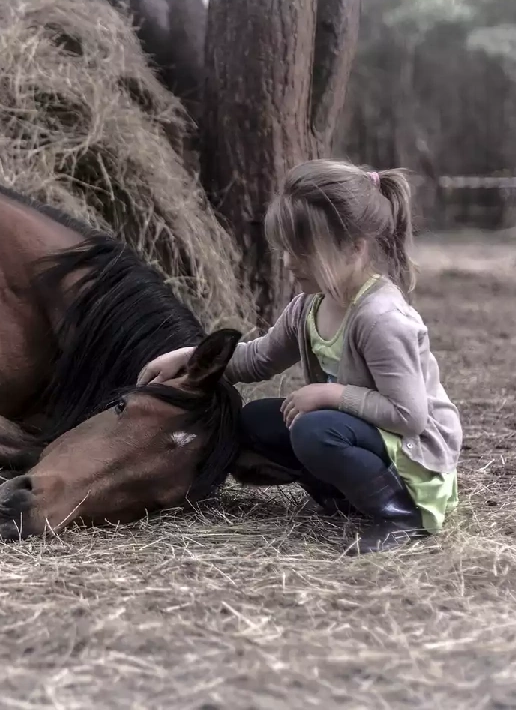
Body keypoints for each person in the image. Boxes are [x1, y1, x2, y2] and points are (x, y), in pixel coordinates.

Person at [138, 159, 461, 555]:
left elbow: (409, 417)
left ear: (355, 247)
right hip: (363, 433)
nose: (289, 262)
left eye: (304, 251)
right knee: (255, 420)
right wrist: (190, 359)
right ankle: (343, 495)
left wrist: (330, 395)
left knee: (314, 430)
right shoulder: (310, 305)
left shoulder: (381, 319)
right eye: (287, 248)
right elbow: (258, 359)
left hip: (415, 458)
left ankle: (399, 515)